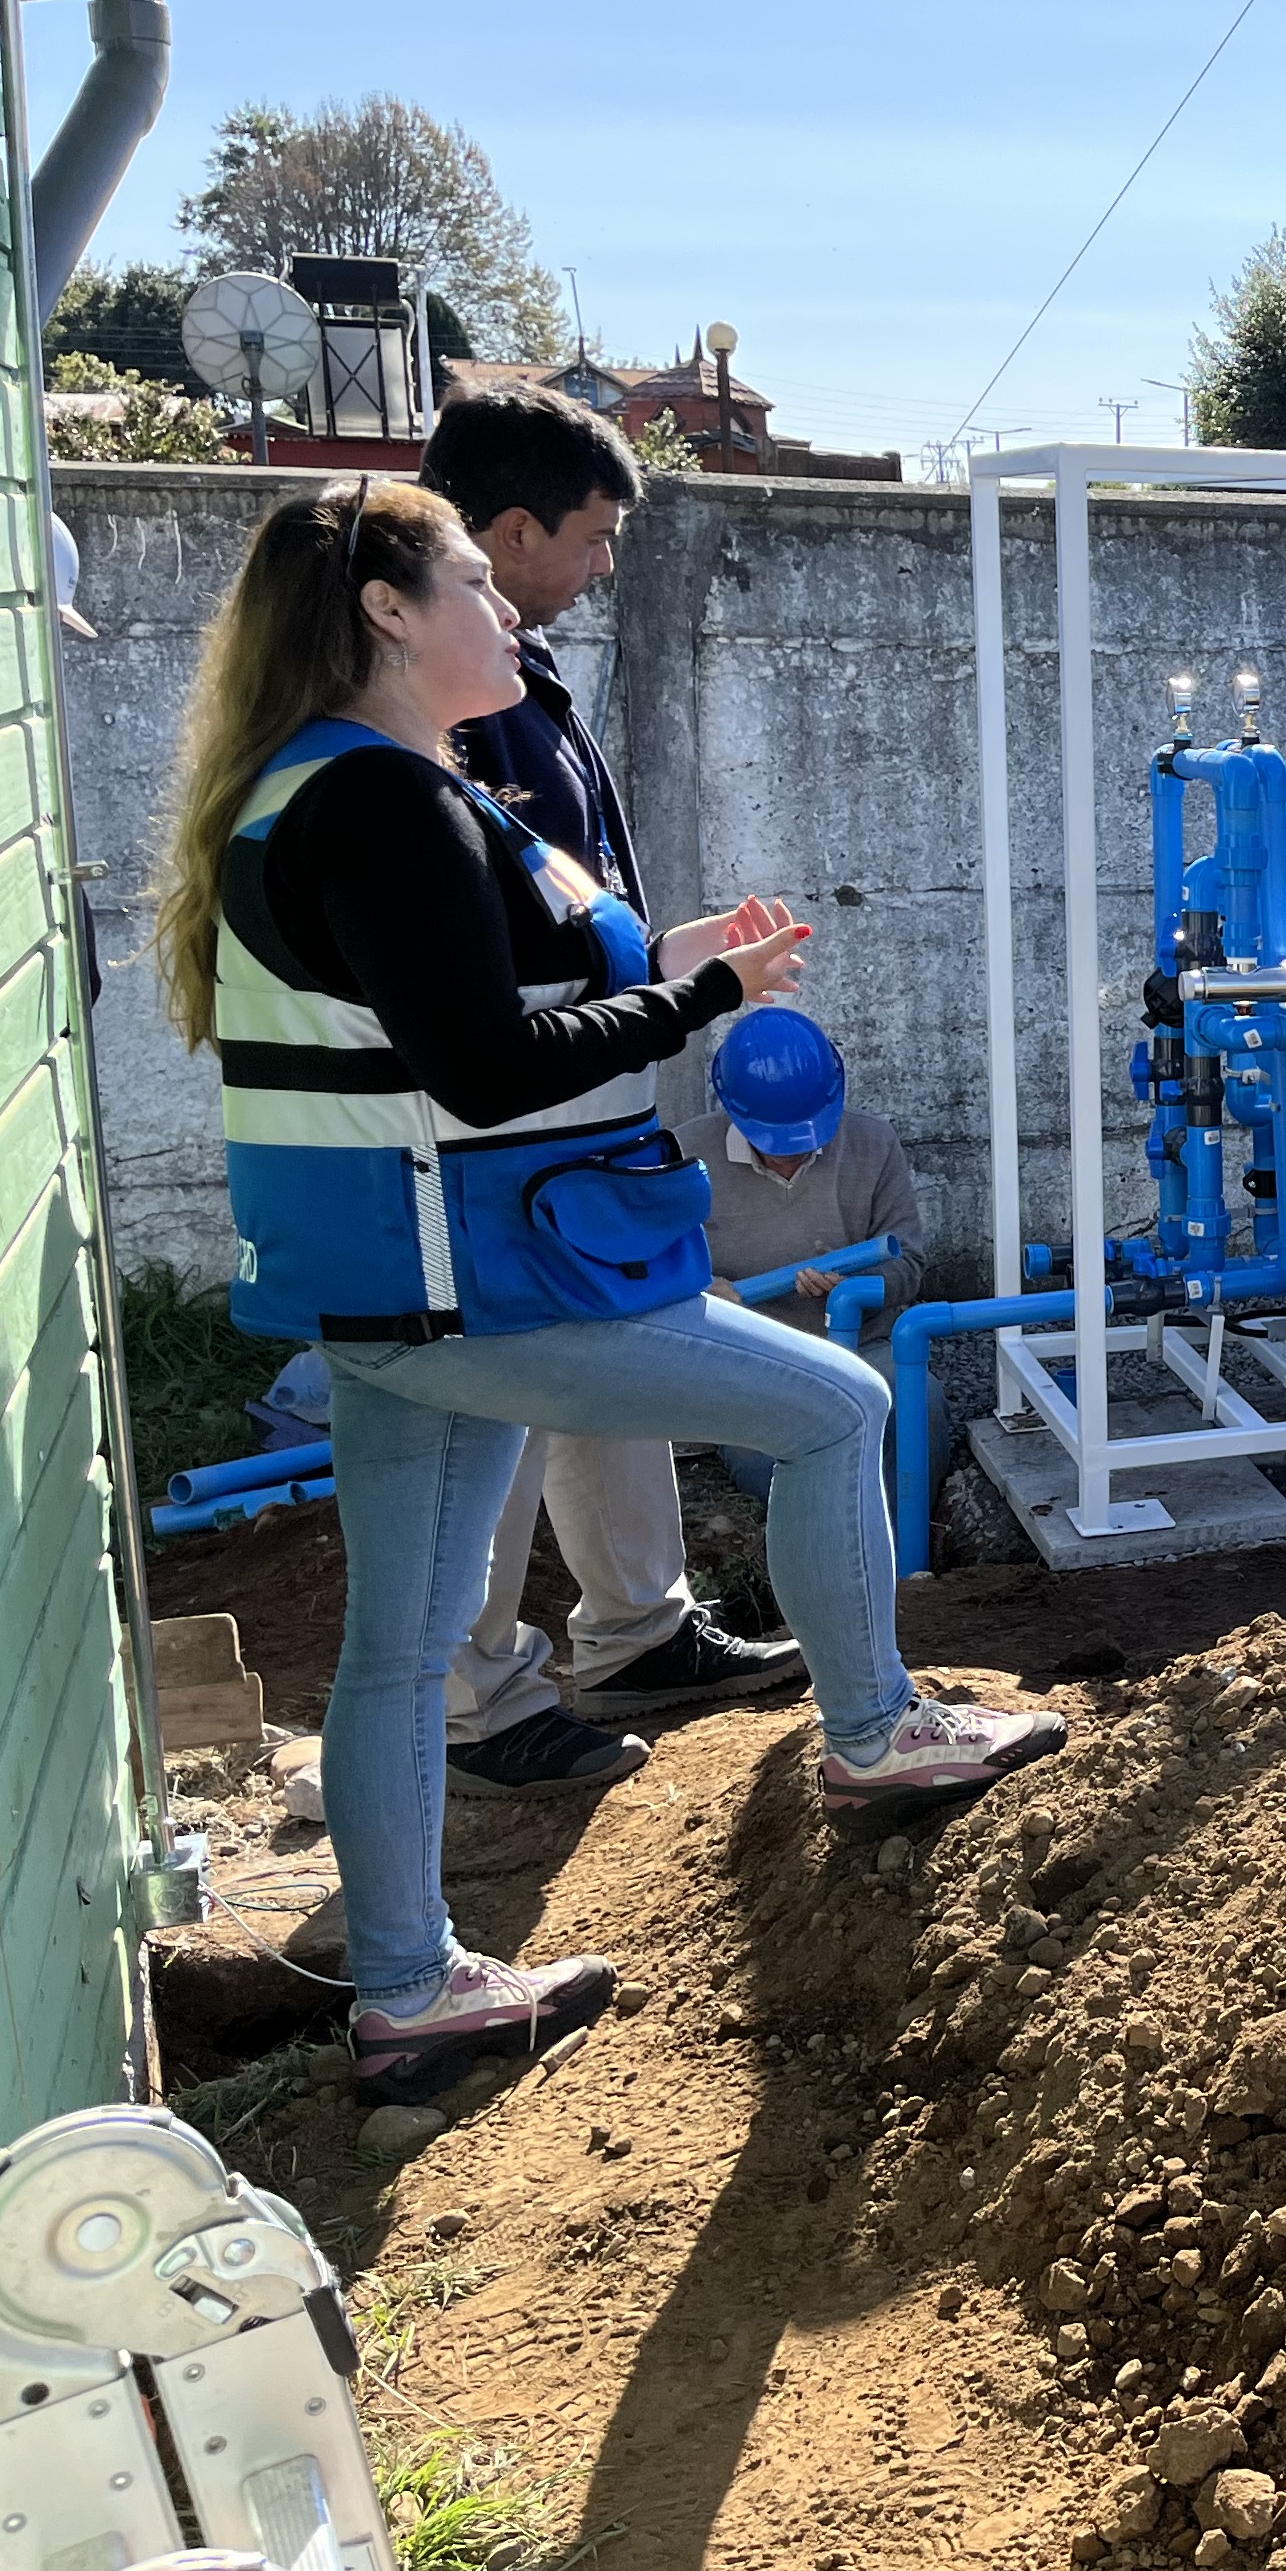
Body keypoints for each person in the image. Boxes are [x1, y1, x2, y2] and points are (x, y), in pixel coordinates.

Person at [153, 479, 1065, 2101]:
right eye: (471, 589)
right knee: (839, 1405)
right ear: (384, 610)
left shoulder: (322, 791)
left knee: (396, 1645)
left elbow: (463, 990)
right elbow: (489, 1064)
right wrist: (700, 993)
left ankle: (408, 1988)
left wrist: (669, 951)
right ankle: (875, 1730)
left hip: (387, 1286)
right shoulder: (389, 802)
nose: (507, 613)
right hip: (488, 1272)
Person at [419, 387, 805, 1795]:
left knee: (608, 1355)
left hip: (582, 1110)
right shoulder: (436, 708)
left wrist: (673, 956)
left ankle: (635, 1627)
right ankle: (476, 1696)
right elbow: (478, 977)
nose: (603, 564)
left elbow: (565, 918)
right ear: (508, 531)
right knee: (508, 1390)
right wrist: (683, 990)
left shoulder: (521, 679)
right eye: (590, 536)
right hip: (493, 1125)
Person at [683, 1006, 924, 1500]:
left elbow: (909, 1263)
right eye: (772, 1136)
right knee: (764, 1454)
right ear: (731, 1108)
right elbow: (650, 1263)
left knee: (919, 1409)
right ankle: (806, 1565)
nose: (789, 1149)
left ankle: (904, 1563)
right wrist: (700, 1292)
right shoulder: (686, 1156)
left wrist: (857, 1290)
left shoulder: (873, 1145)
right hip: (748, 1356)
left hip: (864, 1347)